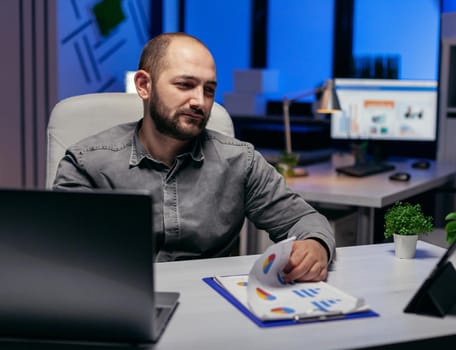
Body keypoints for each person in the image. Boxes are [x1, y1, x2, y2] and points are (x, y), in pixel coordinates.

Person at [53, 32, 335, 282]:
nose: (200, 101)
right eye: (185, 85)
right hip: (119, 300)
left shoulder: (240, 161)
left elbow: (304, 220)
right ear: (143, 85)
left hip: (214, 307)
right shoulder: (87, 163)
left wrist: (315, 246)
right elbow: (60, 251)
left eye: (209, 90)